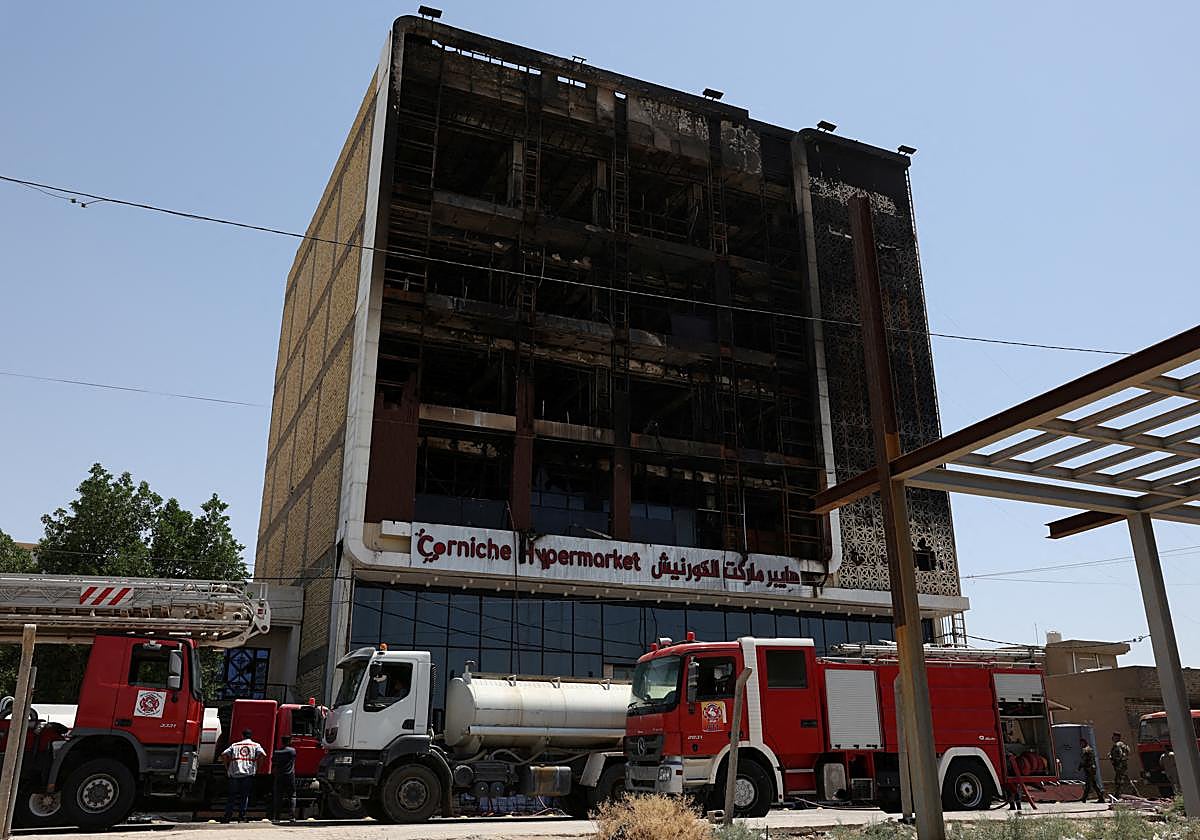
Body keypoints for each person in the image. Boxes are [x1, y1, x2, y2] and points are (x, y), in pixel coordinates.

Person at [221, 728, 266, 822]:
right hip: (247, 774)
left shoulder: (235, 745)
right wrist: (258, 767)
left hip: (234, 774)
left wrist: (227, 768)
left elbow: (224, 754)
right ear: (251, 736)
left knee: (232, 797)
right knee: (244, 796)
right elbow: (263, 755)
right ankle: (242, 817)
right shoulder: (255, 745)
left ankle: (227, 817)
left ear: (242, 736)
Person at [271, 735, 298, 822]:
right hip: (290, 775)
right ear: (289, 742)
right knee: (292, 796)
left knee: (278, 796)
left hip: (279, 775)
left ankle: (277, 816)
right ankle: (292, 816)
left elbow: (273, 761)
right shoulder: (292, 751)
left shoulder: (277, 752)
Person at [1078, 738, 1104, 803]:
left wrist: (1080, 766)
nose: (1081, 744)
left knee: (1089, 784)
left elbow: (1085, 760)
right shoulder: (1089, 749)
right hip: (1091, 769)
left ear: (1084, 742)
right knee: (1092, 784)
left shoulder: (1086, 750)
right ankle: (1100, 797)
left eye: (1082, 743)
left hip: (1089, 769)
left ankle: (1084, 798)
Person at [1109, 731, 1134, 798]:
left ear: (1117, 737)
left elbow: (1118, 756)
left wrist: (1112, 758)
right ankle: (1134, 793)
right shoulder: (1124, 745)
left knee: (1118, 781)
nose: (1112, 738)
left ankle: (1117, 795)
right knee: (1126, 779)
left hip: (1119, 766)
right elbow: (1127, 753)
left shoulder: (1117, 745)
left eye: (1114, 736)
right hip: (1123, 765)